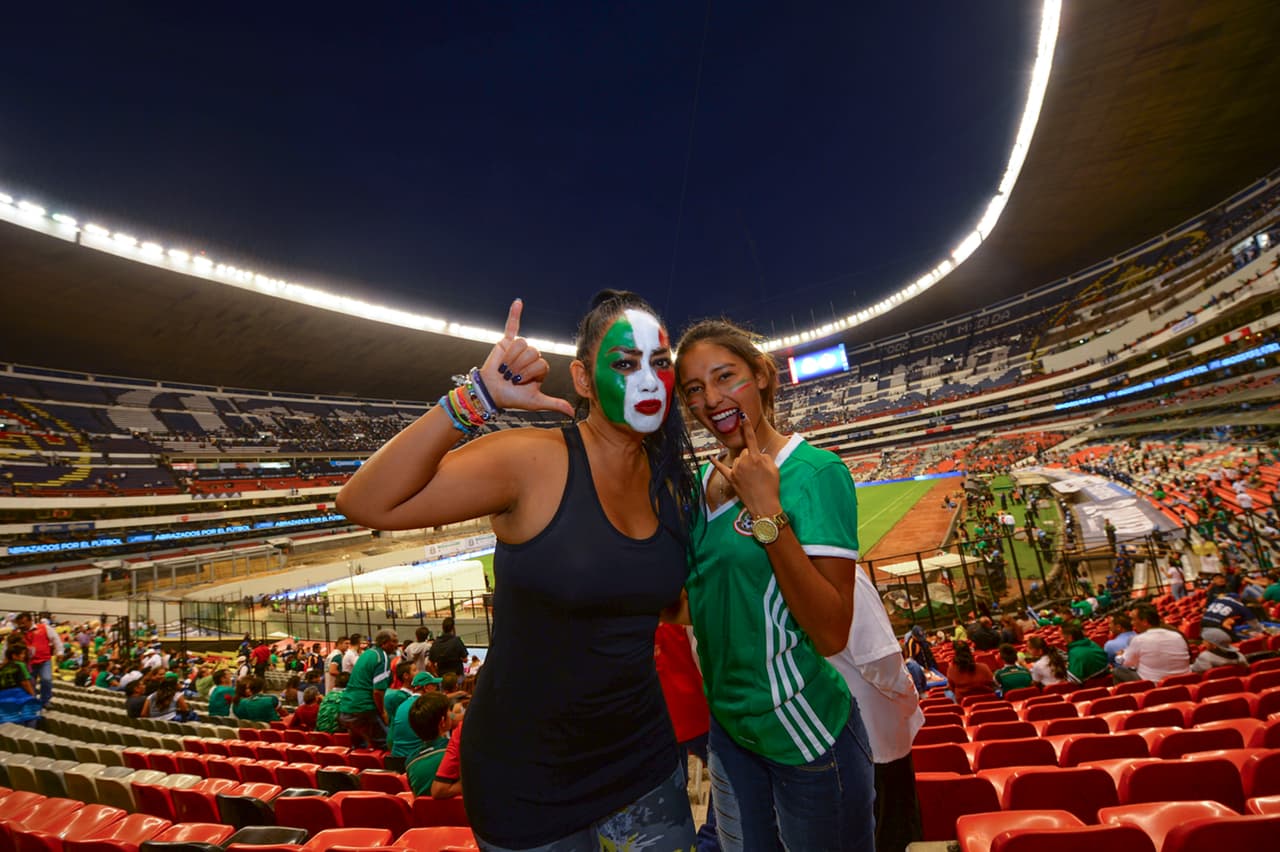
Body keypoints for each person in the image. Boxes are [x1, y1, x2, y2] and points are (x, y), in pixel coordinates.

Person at [337, 293, 697, 850]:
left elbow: (668, 603)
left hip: (643, 762)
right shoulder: (531, 460)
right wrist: (473, 399)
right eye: (624, 363)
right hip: (527, 778)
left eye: (661, 362)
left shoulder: (672, 481)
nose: (647, 379)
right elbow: (365, 501)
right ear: (581, 378)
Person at [676, 318, 874, 851]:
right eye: (695, 389)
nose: (711, 398)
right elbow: (694, 605)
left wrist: (767, 511)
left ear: (762, 375)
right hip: (730, 730)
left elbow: (832, 631)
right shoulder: (697, 484)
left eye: (725, 377)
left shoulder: (814, 472)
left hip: (804, 732)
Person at [827, 566, 925, 852]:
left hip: (838, 740)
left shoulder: (784, 574)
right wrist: (910, 700)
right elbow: (881, 662)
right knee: (893, 834)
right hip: (878, 742)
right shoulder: (844, 574)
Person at [338, 628, 398, 749]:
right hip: (363, 708)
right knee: (387, 745)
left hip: (347, 708)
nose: (397, 645)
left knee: (360, 750)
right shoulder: (382, 657)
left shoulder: (368, 653)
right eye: (394, 641)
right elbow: (377, 691)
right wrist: (383, 713)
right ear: (384, 642)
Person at [1113, 603, 1191, 683]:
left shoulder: (1139, 640)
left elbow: (1127, 663)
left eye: (1133, 619)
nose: (1131, 623)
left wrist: (1119, 656)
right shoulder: (1177, 636)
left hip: (1155, 686)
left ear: (1145, 622)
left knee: (1117, 671)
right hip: (1184, 681)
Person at [405, 691, 453, 797]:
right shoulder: (455, 752)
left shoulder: (410, 762)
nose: (452, 713)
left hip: (424, 814)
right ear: (442, 722)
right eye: (449, 710)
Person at [389, 671, 444, 758]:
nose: (436, 689)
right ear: (426, 687)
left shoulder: (402, 705)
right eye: (434, 685)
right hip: (415, 758)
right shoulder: (426, 706)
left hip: (395, 757)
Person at [16, 612, 62, 707]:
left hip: (44, 660)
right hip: (28, 663)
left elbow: (56, 639)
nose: (21, 625)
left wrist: (60, 652)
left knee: (46, 679)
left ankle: (45, 700)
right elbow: (8, 647)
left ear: (30, 621)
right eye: (19, 623)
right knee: (30, 683)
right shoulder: (17, 633)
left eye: (23, 623)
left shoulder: (44, 628)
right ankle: (32, 701)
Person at [0, 643, 41, 726]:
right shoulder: (20, 665)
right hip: (17, 695)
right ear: (14, 656)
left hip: (3, 697)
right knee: (32, 714)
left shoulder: (2, 667)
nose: (23, 656)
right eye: (22, 654)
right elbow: (25, 683)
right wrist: (32, 695)